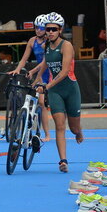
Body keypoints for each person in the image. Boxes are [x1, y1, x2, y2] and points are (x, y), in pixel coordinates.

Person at [30, 12, 83, 172]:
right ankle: (63, 161)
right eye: (48, 29)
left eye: (54, 29)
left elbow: (65, 71)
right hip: (55, 91)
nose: (50, 32)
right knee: (59, 125)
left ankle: (79, 131)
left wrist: (47, 85)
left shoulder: (66, 46)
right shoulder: (46, 45)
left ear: (60, 30)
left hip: (70, 88)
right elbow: (45, 63)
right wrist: (38, 77)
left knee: (73, 128)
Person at [10, 14, 52, 141]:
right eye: (36, 27)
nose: (38, 30)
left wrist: (33, 71)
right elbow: (24, 59)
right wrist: (17, 69)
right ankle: (30, 128)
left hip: (47, 71)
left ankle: (47, 134)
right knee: (34, 101)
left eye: (41, 28)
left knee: (41, 102)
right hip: (39, 72)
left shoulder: (48, 42)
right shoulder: (32, 41)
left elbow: (46, 61)